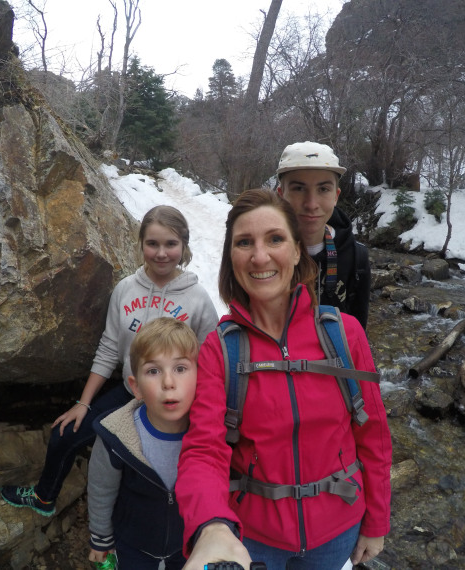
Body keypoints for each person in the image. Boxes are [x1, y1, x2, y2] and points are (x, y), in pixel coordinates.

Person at [176, 189, 391, 570]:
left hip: (336, 531)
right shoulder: (218, 350)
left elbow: (372, 434)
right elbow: (204, 451)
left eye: (275, 239)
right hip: (254, 539)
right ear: (232, 257)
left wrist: (376, 521)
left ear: (296, 251)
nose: (260, 256)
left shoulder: (345, 334)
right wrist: (211, 526)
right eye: (245, 243)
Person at [1, 205, 219, 516]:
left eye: (170, 244)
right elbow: (109, 348)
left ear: (183, 246)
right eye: (152, 243)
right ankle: (44, 498)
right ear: (140, 243)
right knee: (64, 436)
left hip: (175, 403)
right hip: (132, 394)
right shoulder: (126, 290)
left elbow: (210, 361)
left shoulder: (198, 299)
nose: (161, 253)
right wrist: (84, 403)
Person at [87, 317, 198, 570]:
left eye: (180, 369)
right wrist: (101, 539)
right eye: (153, 371)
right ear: (135, 387)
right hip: (132, 548)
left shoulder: (209, 435)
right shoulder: (115, 437)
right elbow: (101, 490)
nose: (168, 383)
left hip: (190, 547)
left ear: (200, 377)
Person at [276, 141, 371, 329]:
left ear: (336, 196)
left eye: (323, 189)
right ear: (280, 195)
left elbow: (358, 334)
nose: (311, 204)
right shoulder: (263, 254)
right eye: (299, 188)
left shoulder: (356, 257)